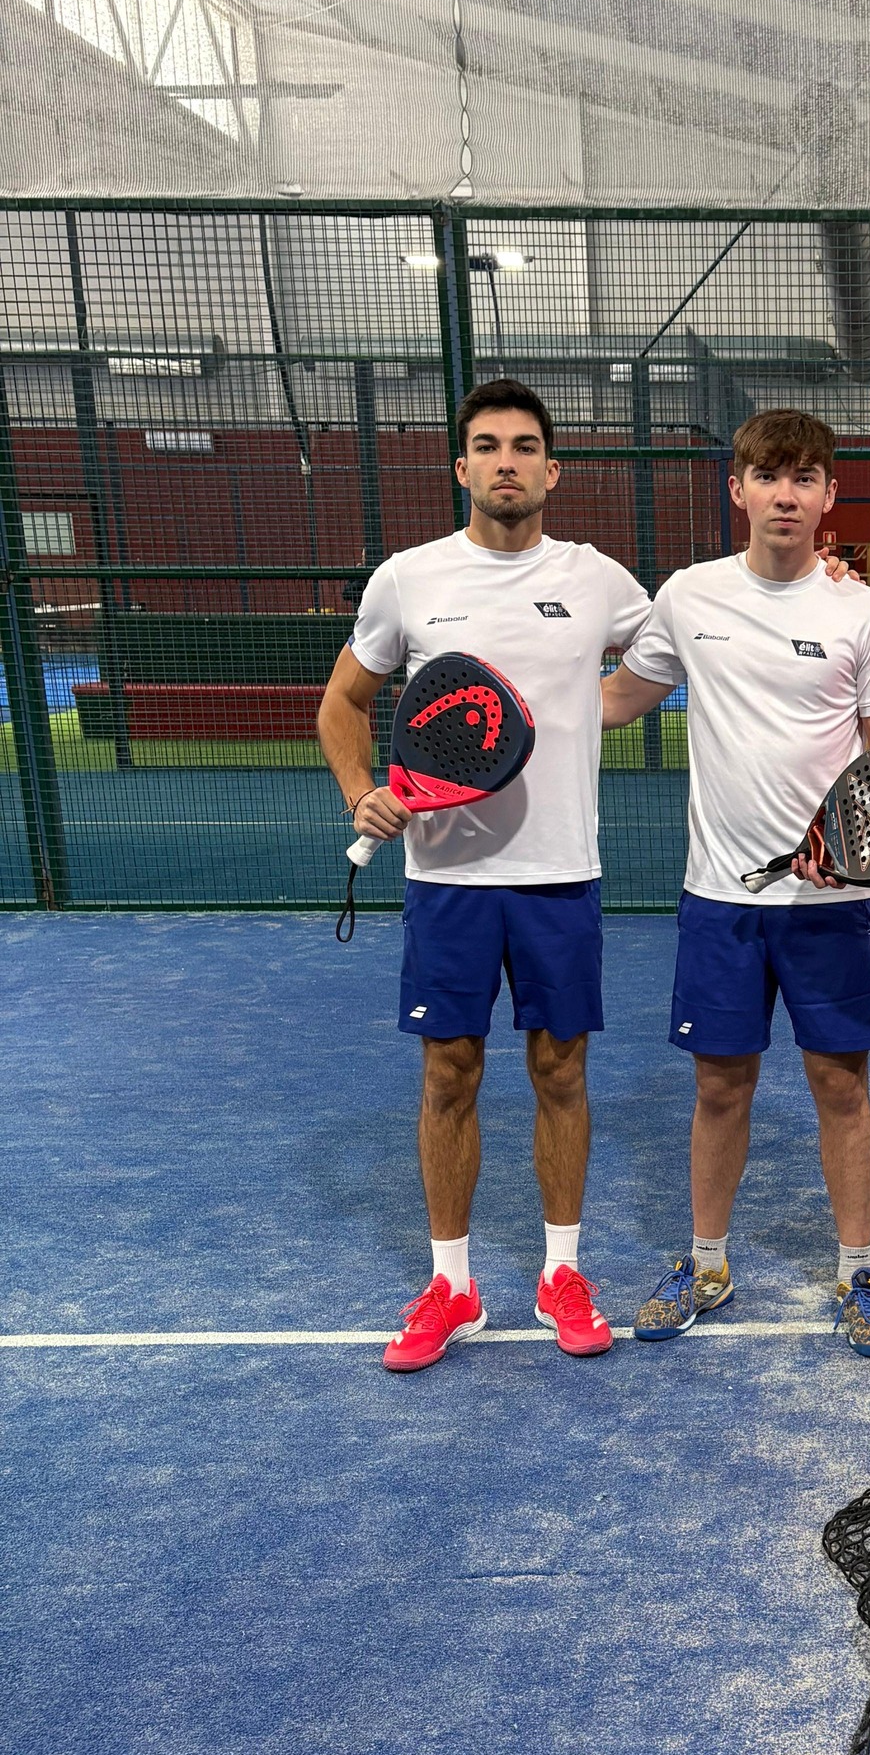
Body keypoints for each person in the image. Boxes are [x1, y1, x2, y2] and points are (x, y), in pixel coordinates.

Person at [318, 378, 650, 1370]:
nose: (508, 461)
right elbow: (342, 702)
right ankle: (453, 1287)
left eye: (525, 446)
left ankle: (561, 1273)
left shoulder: (598, 579)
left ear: (553, 470)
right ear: (462, 467)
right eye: (489, 446)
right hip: (448, 881)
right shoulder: (408, 579)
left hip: (560, 873)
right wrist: (362, 791)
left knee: (561, 1069)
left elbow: (675, 653)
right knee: (449, 1073)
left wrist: (594, 708)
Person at [601, 410, 870, 1356]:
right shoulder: (689, 596)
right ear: (737, 489)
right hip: (721, 902)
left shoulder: (865, 612)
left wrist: (850, 850)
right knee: (720, 1088)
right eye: (769, 477)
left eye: (806, 477)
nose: (787, 495)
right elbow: (616, 700)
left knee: (841, 1087)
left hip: (830, 904)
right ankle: (707, 1263)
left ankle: (857, 1270)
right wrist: (522, 691)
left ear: (829, 495)